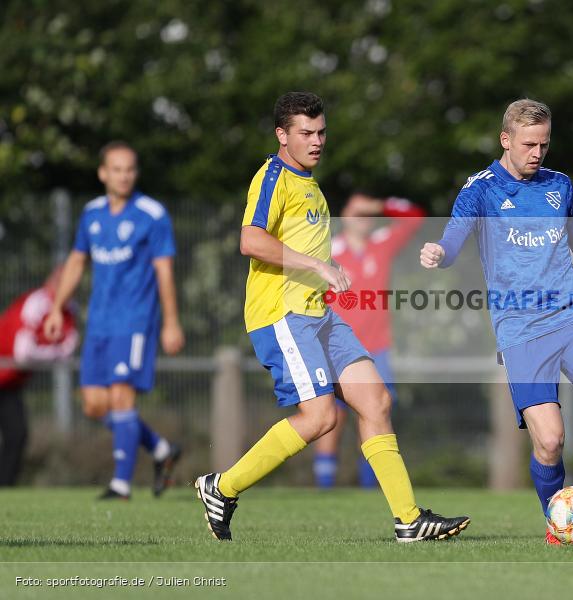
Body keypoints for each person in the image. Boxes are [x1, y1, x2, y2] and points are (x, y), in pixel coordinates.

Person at [193, 91, 469, 543]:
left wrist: (321, 273)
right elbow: (249, 241)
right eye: (306, 133)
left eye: (321, 132)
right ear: (282, 135)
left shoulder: (312, 184)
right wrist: (317, 264)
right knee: (321, 417)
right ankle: (221, 488)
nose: (317, 141)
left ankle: (409, 519)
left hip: (319, 314)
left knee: (376, 400)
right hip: (283, 316)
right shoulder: (273, 178)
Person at [420, 99, 573, 544]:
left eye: (544, 145)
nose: (537, 153)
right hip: (521, 329)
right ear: (505, 140)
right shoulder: (481, 189)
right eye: (529, 144)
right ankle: (558, 523)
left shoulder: (560, 185)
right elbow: (455, 235)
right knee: (549, 442)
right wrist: (440, 252)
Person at [44, 141, 184, 500]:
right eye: (116, 169)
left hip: (135, 320)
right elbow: (76, 262)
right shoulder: (91, 214)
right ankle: (161, 450)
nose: (124, 176)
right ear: (103, 173)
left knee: (122, 397)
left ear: (135, 173)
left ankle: (120, 485)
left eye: (130, 169)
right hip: (100, 323)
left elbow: (164, 270)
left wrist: (171, 321)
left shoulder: (152, 214)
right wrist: (58, 307)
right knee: (93, 403)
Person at [314, 193, 425, 488]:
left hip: (377, 351)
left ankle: (371, 491)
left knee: (376, 415)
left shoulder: (381, 244)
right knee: (329, 421)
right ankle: (324, 494)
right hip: (335, 351)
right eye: (355, 210)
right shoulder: (329, 250)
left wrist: (378, 205)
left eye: (366, 212)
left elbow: (415, 216)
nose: (361, 216)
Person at [0, 268, 79, 486]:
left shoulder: (69, 310)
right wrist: (54, 354)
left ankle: (5, 488)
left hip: (9, 383)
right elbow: (23, 353)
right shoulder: (35, 304)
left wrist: (53, 353)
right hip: (5, 374)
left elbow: (69, 347)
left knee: (17, 435)